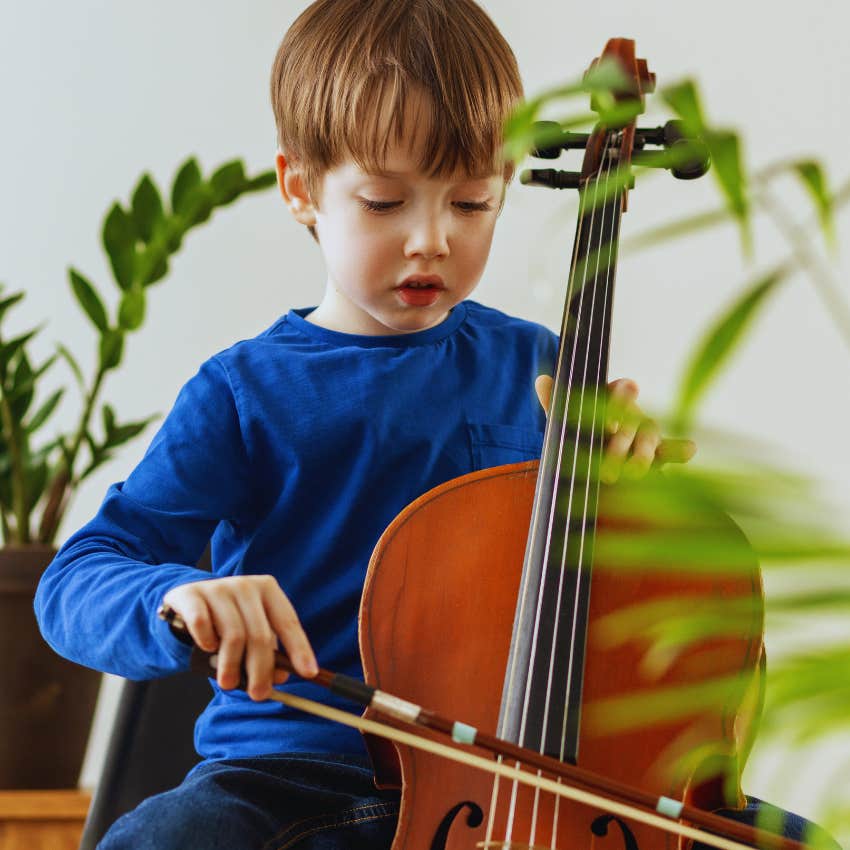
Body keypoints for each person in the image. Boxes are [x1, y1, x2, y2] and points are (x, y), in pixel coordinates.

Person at [34, 2, 836, 849]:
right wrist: (172, 596)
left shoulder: (543, 374)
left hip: (533, 784)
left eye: (470, 202)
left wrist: (639, 502)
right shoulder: (246, 391)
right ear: (301, 189)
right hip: (296, 786)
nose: (431, 239)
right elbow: (76, 578)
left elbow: (631, 630)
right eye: (385, 202)